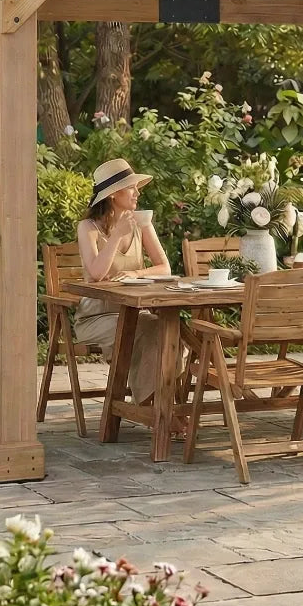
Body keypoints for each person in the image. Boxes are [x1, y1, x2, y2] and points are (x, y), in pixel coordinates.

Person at [75, 157, 175, 414]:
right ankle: (153, 409)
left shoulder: (141, 223)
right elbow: (96, 274)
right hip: (96, 318)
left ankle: (151, 407)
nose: (137, 192)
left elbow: (165, 267)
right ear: (113, 194)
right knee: (152, 328)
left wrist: (136, 273)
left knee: (170, 331)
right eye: (131, 187)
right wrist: (116, 235)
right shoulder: (88, 228)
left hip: (133, 311)